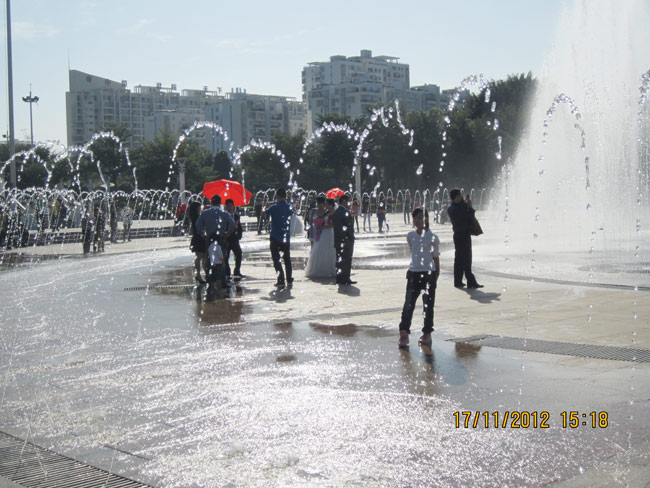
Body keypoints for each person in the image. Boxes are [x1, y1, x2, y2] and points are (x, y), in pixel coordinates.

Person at [398, 208, 440, 347]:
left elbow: (435, 258)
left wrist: (436, 275)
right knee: (408, 304)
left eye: (420, 218)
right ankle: (404, 332)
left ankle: (427, 333)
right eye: (415, 218)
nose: (417, 221)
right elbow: (414, 252)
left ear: (426, 220)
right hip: (414, 273)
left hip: (428, 273)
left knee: (428, 306)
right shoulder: (410, 236)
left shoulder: (433, 237)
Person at [195, 195, 235, 284]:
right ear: (220, 203)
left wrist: (202, 234)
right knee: (222, 259)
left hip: (209, 238)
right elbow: (232, 224)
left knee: (209, 258)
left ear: (211, 202)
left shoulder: (204, 213)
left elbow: (198, 224)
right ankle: (222, 279)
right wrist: (228, 233)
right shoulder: (224, 213)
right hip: (221, 238)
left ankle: (209, 278)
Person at [447, 189, 483, 289]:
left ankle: (459, 281)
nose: (460, 198)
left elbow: (470, 216)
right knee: (464, 259)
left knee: (462, 258)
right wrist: (468, 207)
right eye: (458, 197)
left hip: (465, 234)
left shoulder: (460, 206)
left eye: (460, 196)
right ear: (454, 198)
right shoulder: (453, 209)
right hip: (460, 235)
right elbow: (465, 217)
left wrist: (468, 206)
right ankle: (469, 281)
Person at [265, 188, 294, 288]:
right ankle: (289, 279)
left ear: (277, 196)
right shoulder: (289, 207)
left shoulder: (274, 207)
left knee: (276, 259)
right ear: (285, 196)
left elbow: (265, 215)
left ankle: (281, 279)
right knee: (287, 259)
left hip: (275, 236)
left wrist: (266, 207)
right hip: (286, 237)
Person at [304, 197, 336, 279]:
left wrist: (322, 227)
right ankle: (319, 268)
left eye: (325, 204)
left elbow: (332, 224)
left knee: (328, 249)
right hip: (321, 232)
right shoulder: (324, 212)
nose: (324, 205)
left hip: (327, 232)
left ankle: (327, 268)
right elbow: (311, 221)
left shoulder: (331, 212)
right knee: (318, 248)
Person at [332, 194, 356, 285]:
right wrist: (351, 237)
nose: (349, 203)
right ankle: (346, 278)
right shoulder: (345, 212)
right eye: (347, 201)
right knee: (347, 259)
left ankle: (339, 278)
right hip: (346, 240)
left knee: (339, 259)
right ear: (343, 201)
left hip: (338, 239)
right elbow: (348, 227)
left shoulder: (336, 211)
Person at [224, 198, 244, 279]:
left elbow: (239, 226)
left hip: (235, 239)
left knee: (239, 254)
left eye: (230, 206)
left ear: (233, 206)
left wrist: (239, 235)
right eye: (227, 206)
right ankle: (227, 272)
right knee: (226, 257)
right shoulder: (224, 216)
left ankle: (237, 271)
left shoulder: (236, 216)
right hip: (227, 239)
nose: (229, 208)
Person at [188, 201, 207, 284]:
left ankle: (201, 274)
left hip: (196, 238)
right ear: (196, 208)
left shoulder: (193, 216)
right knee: (201, 256)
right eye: (199, 207)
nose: (200, 208)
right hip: (199, 238)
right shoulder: (197, 217)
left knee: (201, 256)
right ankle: (199, 274)